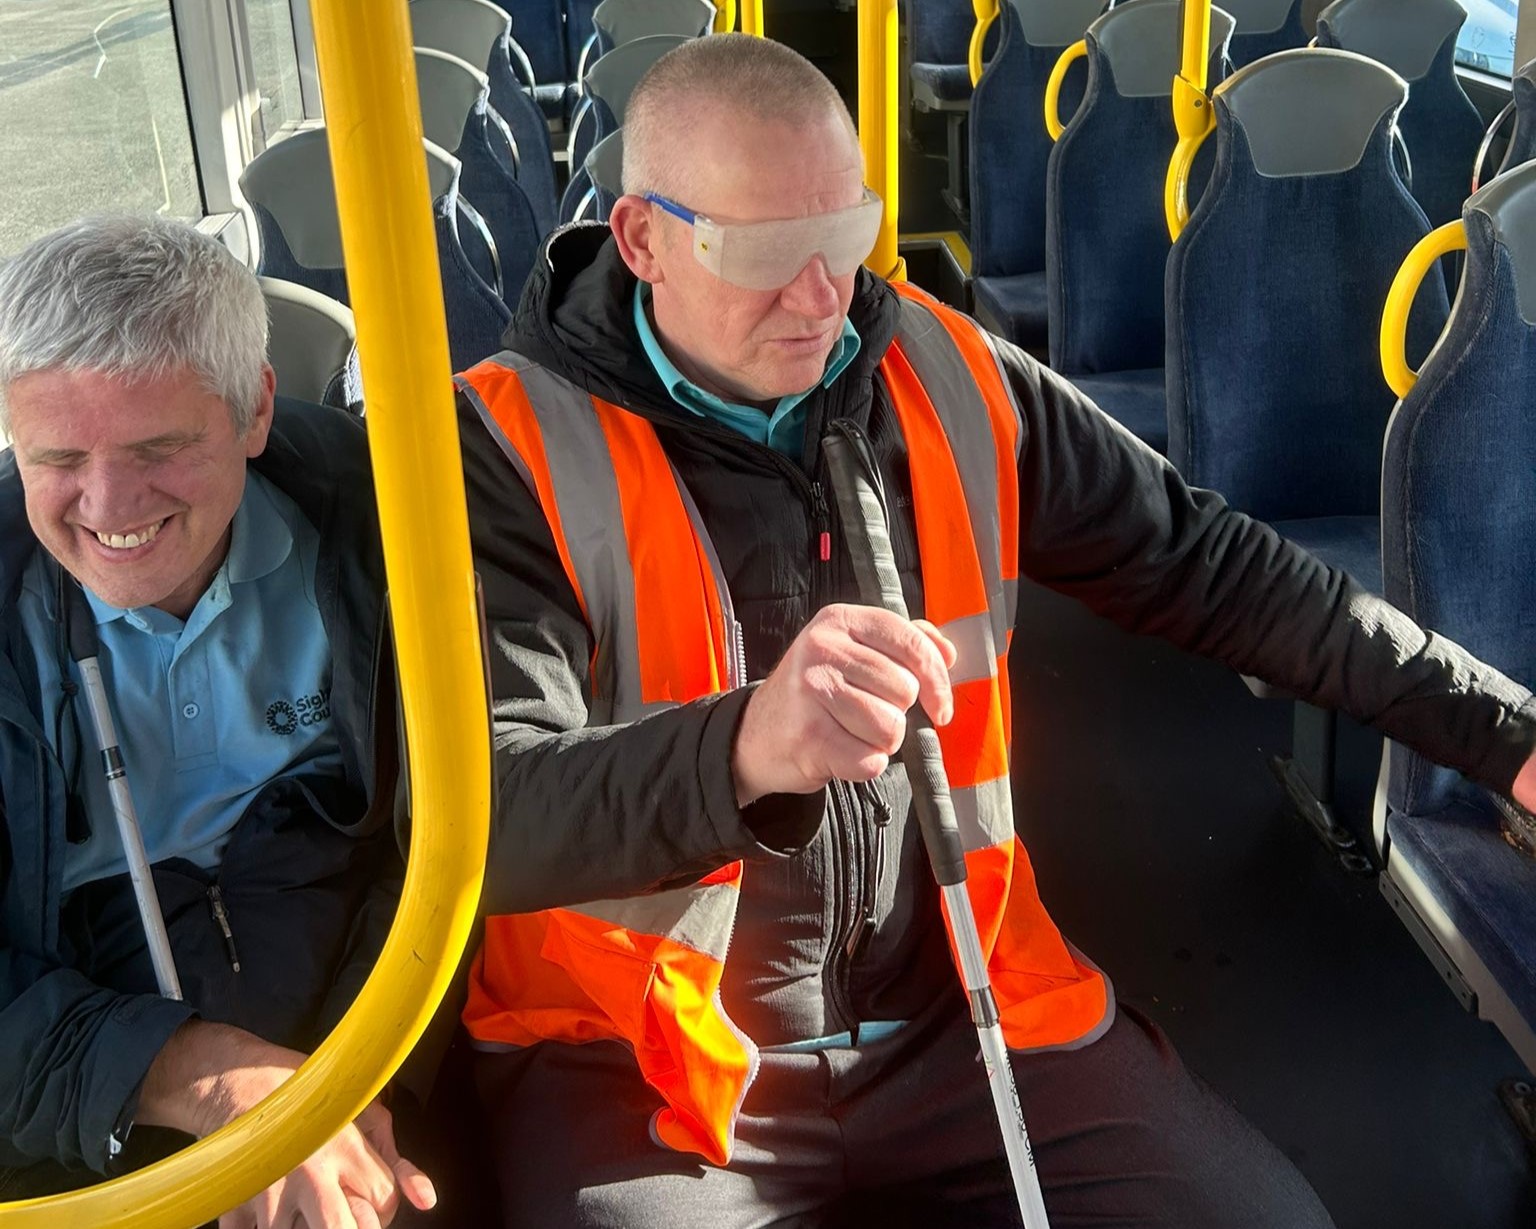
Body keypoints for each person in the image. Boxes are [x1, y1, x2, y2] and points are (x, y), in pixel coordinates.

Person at [454, 34, 1536, 1229]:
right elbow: (488, 814)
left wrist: (1501, 735)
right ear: (642, 239)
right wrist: (747, 747)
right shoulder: (505, 447)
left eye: (846, 236)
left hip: (963, 1004)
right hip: (646, 1051)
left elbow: (1209, 563)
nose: (823, 297)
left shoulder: (944, 369)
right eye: (765, 253)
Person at [0, 216, 435, 1229]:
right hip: (74, 1103)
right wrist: (199, 1074)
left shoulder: (395, 533)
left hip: (382, 1057)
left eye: (159, 447)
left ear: (256, 411)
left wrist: (350, 1088)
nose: (109, 505)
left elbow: (452, 841)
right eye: (57, 455)